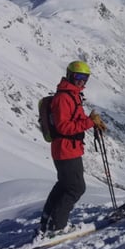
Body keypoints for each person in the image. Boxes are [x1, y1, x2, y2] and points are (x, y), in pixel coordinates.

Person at [37, 60, 107, 238]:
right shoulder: (63, 98)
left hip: (69, 148)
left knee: (64, 185)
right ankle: (57, 227)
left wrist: (91, 121)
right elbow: (64, 127)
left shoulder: (73, 95)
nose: (82, 81)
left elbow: (76, 120)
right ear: (70, 75)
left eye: (85, 78)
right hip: (66, 149)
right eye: (78, 77)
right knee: (75, 188)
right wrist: (90, 122)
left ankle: (47, 220)